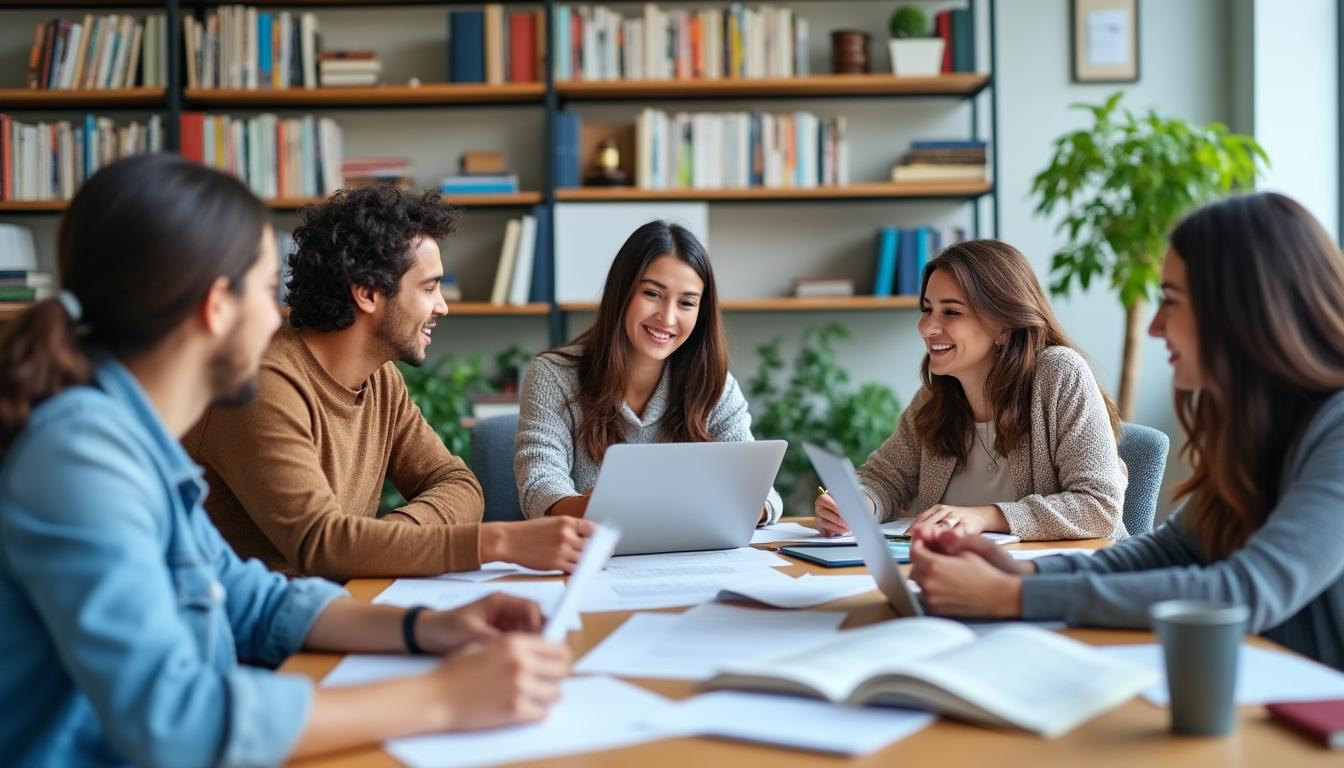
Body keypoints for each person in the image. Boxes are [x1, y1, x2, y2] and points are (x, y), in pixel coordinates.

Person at [0, 155, 569, 766]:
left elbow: (255, 601)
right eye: (267, 291)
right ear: (218, 306)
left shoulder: (138, 446)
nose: (279, 317)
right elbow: (174, 721)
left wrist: (429, 628)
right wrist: (445, 697)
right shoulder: (81, 464)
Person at [909, 193, 1344, 670]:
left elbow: (1243, 590)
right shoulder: (1259, 427)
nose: (1156, 326)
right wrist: (1022, 572)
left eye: (1172, 303)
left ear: (1245, 311)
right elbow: (1169, 550)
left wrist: (1015, 596)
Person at [185, 185, 593, 580]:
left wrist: (382, 543)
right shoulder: (262, 383)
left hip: (339, 609)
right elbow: (323, 545)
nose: (443, 306)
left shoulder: (380, 379)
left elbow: (459, 484)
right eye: (429, 287)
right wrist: (499, 541)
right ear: (367, 294)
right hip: (256, 638)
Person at [815, 239, 1127, 541]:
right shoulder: (937, 397)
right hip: (957, 579)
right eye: (927, 309)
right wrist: (857, 505)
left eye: (951, 312)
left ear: (1003, 325)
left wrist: (985, 516)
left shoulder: (1059, 373)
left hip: (1061, 582)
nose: (927, 327)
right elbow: (882, 479)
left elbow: (1098, 506)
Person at [516, 220, 783, 522]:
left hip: (689, 559)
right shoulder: (553, 376)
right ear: (623, 292)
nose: (667, 318)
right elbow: (539, 487)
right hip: (590, 555)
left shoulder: (713, 384)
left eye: (686, 302)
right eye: (652, 294)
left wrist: (753, 503)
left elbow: (763, 493)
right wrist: (602, 508)